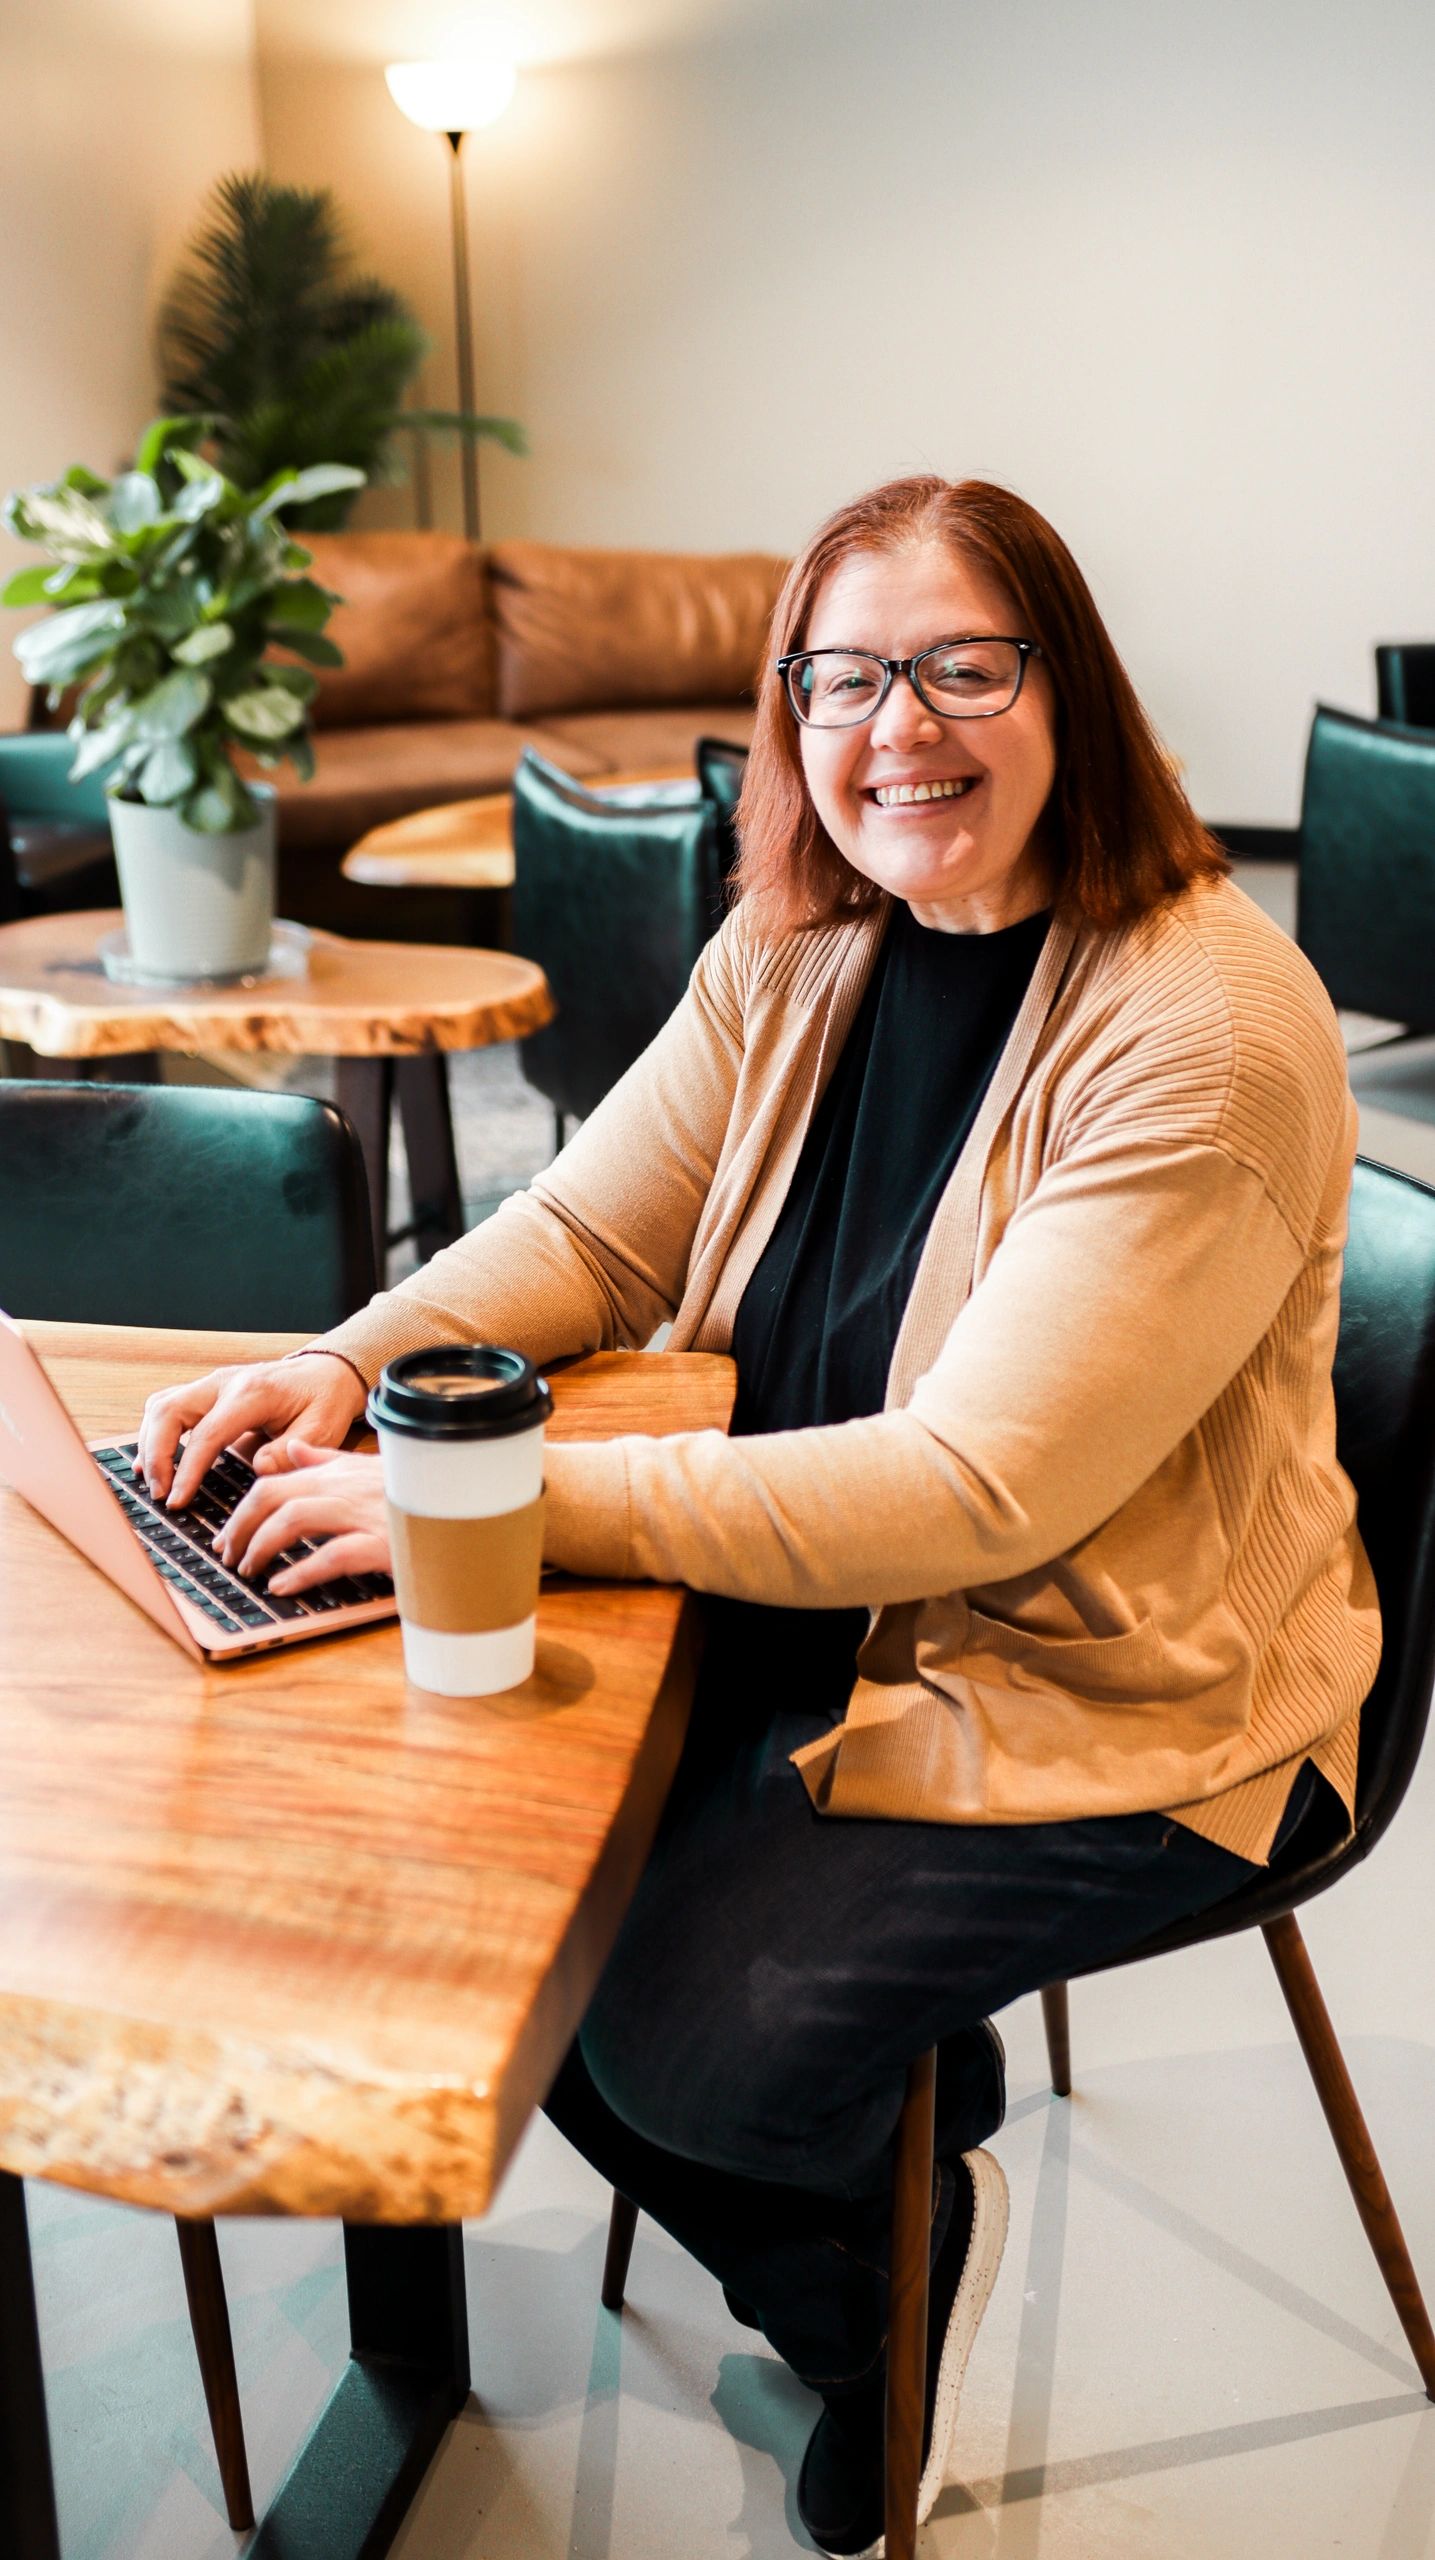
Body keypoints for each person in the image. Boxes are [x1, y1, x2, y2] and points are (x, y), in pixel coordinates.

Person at [138, 476, 1379, 2557]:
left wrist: (497, 1502)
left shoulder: (1203, 1026)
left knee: (674, 2042)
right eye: (846, 677)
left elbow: (975, 1489)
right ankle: (884, 2134)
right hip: (808, 1594)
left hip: (1111, 1675)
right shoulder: (804, 941)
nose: (902, 726)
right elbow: (590, 1233)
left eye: (962, 665)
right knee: (498, 1926)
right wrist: (352, 1360)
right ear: (791, 713)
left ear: (1069, 685)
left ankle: (877, 2278)